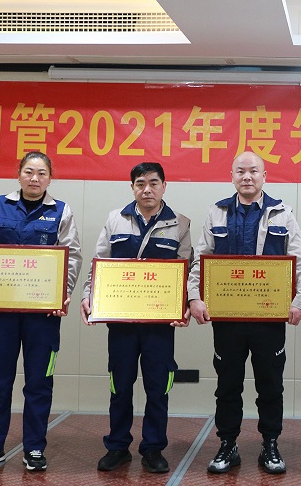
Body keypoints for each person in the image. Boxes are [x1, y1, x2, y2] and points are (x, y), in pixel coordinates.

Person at [187, 151, 301, 475]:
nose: (247, 177)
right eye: (240, 171)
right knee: (228, 385)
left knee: (270, 385)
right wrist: (194, 297)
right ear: (232, 176)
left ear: (264, 176)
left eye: (253, 171)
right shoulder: (217, 213)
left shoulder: (282, 213)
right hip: (227, 319)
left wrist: (300, 301)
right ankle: (228, 444)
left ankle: (270, 444)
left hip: (268, 319)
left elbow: (300, 259)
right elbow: (201, 258)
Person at [0, 151, 82, 472]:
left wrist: (62, 293)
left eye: (41, 173)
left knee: (39, 382)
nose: (34, 178)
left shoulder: (61, 211)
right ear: (18, 175)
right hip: (0, 311)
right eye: (29, 172)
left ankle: (35, 448)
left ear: (50, 178)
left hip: (43, 314)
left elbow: (71, 256)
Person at [80, 162, 193, 474]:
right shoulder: (115, 219)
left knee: (158, 387)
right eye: (140, 183)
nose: (147, 189)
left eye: (154, 183)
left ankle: (153, 448)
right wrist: (88, 295)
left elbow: (187, 270)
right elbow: (99, 262)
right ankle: (117, 446)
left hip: (160, 324)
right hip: (122, 322)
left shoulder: (180, 223)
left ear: (164, 186)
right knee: (120, 385)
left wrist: (185, 303)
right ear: (132, 187)